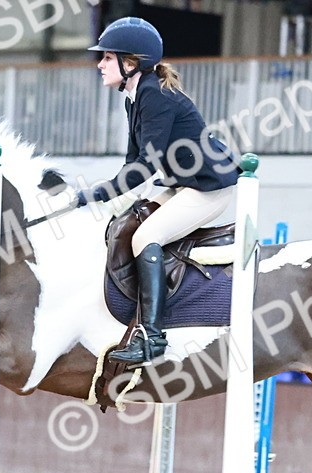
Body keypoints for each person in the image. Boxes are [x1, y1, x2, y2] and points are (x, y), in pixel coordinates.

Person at [76, 17, 239, 366]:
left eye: (107, 58)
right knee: (126, 223)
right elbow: (131, 163)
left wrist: (94, 194)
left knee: (144, 237)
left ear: (130, 63)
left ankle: (152, 337)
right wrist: (96, 196)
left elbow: (144, 168)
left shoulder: (154, 95)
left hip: (208, 189)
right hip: (182, 184)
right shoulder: (134, 98)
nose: (100, 64)